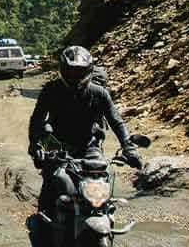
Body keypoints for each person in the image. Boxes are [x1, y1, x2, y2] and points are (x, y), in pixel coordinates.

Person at [27, 46, 143, 234]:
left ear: (88, 71)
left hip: (90, 147)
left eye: (79, 71)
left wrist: (129, 147)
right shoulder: (51, 90)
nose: (74, 76)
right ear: (62, 70)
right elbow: (37, 119)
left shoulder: (99, 93)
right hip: (58, 145)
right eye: (70, 71)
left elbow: (116, 121)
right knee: (51, 180)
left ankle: (104, 213)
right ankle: (43, 226)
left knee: (103, 179)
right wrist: (36, 145)